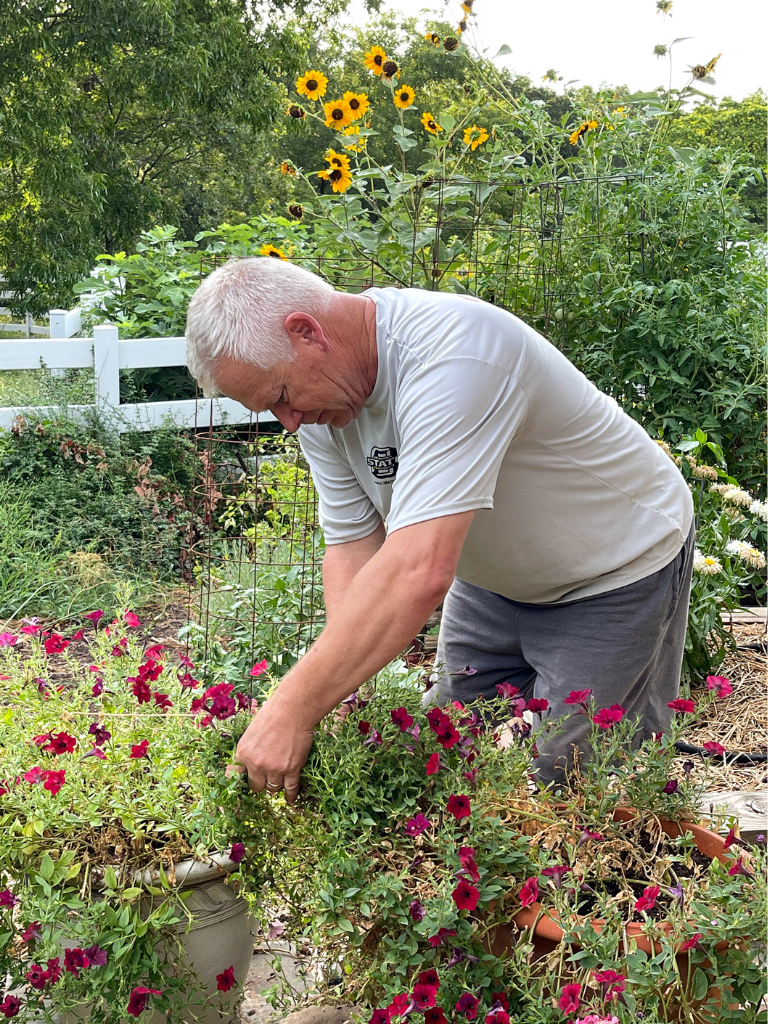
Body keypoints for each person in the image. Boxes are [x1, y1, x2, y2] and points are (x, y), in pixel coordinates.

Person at [185, 256, 694, 802]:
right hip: (492, 580)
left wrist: (290, 709)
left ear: (306, 332)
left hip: (612, 570)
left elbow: (420, 570)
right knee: (444, 757)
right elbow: (353, 548)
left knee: (573, 784)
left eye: (281, 398)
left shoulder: (458, 352)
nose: (288, 422)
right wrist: (335, 690)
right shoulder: (323, 407)